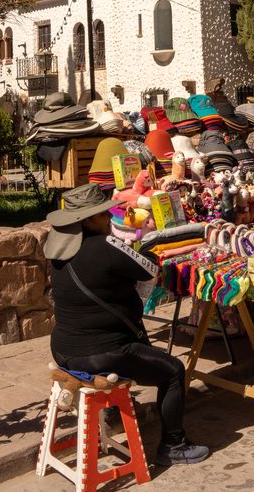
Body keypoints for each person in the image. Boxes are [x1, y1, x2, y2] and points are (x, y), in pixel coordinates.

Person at [44, 183, 209, 466]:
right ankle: (173, 445)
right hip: (102, 353)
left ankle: (111, 412)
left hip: (62, 350)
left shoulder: (58, 254)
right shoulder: (105, 246)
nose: (110, 218)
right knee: (172, 371)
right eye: (102, 215)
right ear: (86, 220)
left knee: (135, 351)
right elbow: (150, 269)